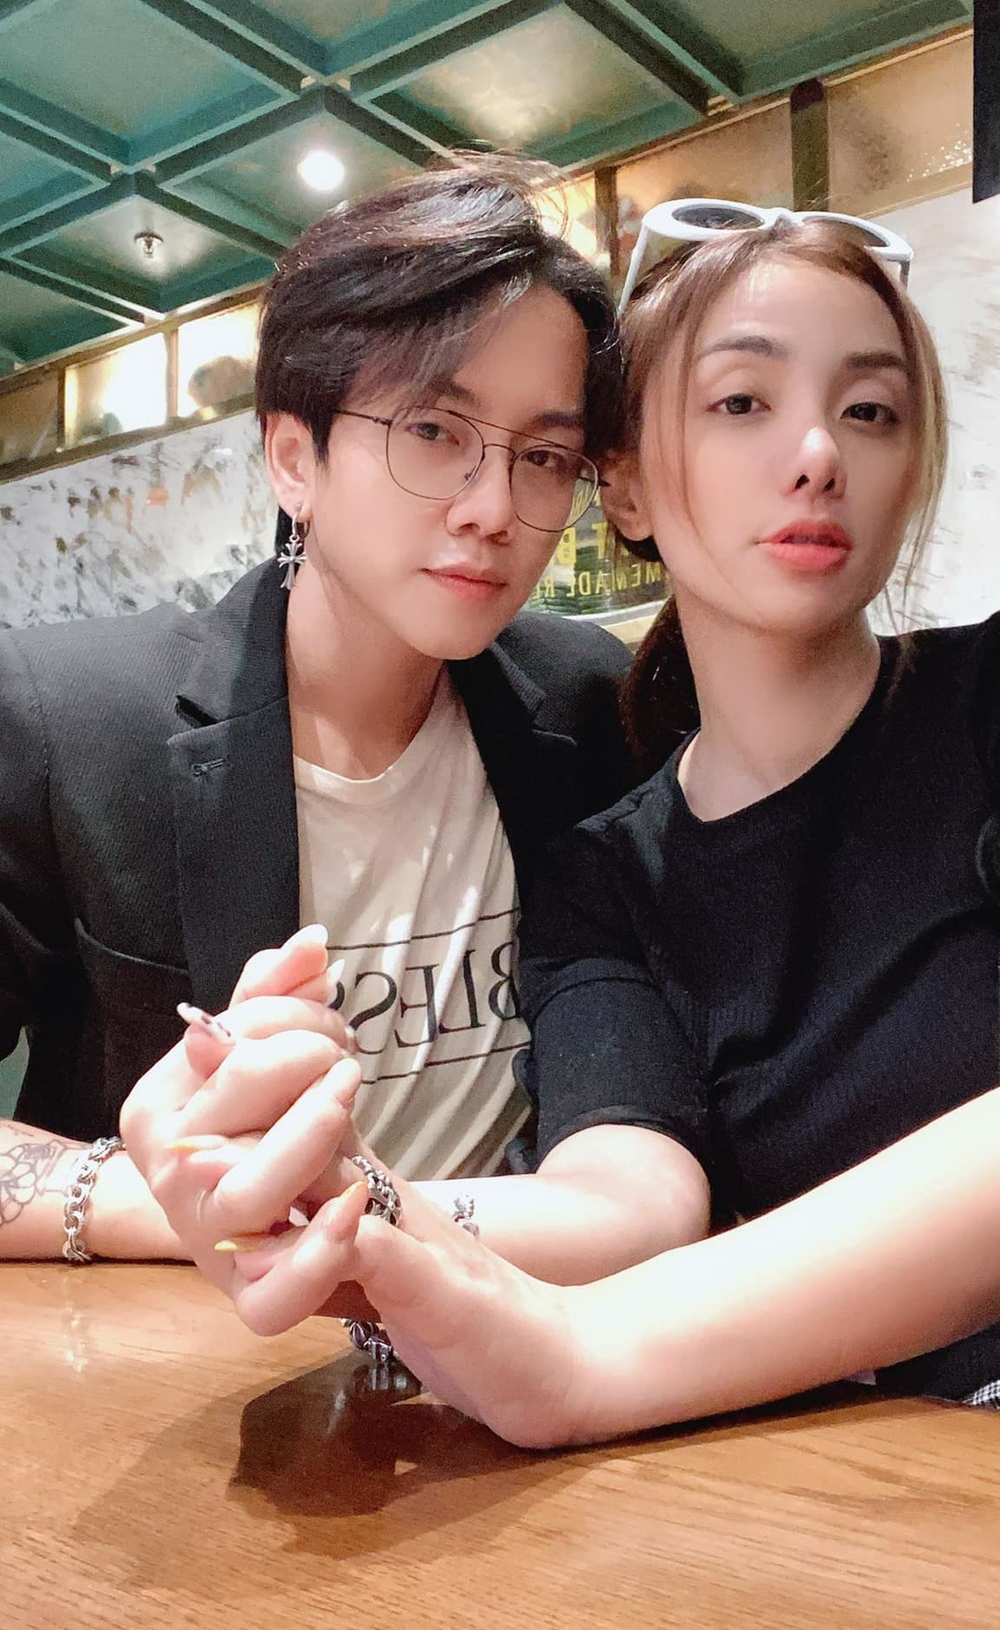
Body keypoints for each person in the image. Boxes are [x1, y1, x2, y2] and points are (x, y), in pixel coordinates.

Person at [124, 207, 1000, 1433]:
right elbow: (629, 1190)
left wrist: (590, 1356)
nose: (816, 454)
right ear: (622, 485)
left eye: (870, 410)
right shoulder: (604, 872)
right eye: (741, 402)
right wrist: (338, 1193)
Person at [0, 155, 636, 1264]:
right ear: (295, 457)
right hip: (195, 1338)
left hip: (504, 1322)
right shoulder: (75, 721)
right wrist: (192, 1202)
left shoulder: (585, 705)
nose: (493, 508)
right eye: (434, 431)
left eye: (543, 456)